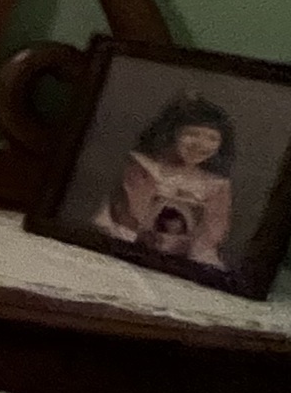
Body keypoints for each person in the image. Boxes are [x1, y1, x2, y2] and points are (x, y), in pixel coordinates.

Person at [94, 90, 237, 270]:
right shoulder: (145, 169)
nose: (200, 144)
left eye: (212, 138)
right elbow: (127, 219)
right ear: (172, 133)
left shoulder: (216, 185)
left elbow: (209, 237)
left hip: (181, 262)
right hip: (131, 246)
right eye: (192, 134)